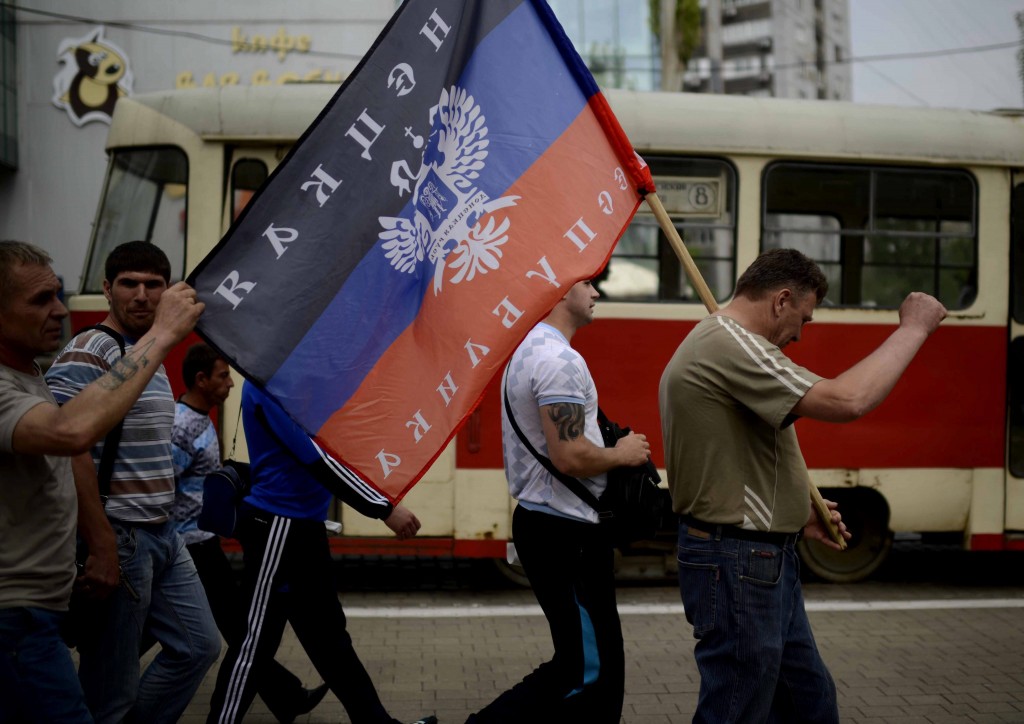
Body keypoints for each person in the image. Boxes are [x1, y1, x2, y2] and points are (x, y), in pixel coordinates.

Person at [658, 248, 946, 723]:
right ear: (782, 300)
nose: (798, 334)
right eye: (804, 319)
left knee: (808, 703)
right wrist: (913, 328)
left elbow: (738, 454)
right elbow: (847, 400)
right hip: (739, 562)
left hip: (757, 557)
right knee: (738, 709)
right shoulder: (731, 343)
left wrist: (792, 509)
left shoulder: (723, 342)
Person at [0, 240, 203, 723]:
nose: (59, 311)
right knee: (108, 693)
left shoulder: (29, 371)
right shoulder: (92, 349)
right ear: (110, 289)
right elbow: (72, 439)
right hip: (28, 607)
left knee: (198, 646)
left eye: (58, 294)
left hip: (157, 534)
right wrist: (102, 541)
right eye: (39, 300)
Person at [466, 279, 652, 724]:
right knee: (585, 670)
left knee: (596, 670)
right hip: (566, 535)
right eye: (587, 283)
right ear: (560, 291)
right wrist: (623, 453)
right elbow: (569, 456)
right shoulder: (556, 360)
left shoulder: (530, 351)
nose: (596, 293)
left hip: (555, 527)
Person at [207, 381, 437, 724]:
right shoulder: (269, 386)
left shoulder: (296, 380)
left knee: (329, 639)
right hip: (278, 528)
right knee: (254, 646)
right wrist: (384, 508)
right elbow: (319, 460)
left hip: (304, 528)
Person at [169, 343, 328, 723]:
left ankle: (286, 695)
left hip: (201, 542)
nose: (230, 382)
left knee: (241, 627)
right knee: (238, 629)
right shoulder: (181, 426)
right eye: (223, 375)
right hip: (189, 547)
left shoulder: (200, 417)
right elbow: (161, 487)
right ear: (201, 379)